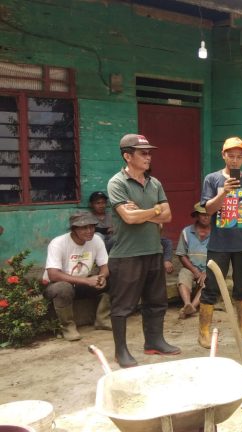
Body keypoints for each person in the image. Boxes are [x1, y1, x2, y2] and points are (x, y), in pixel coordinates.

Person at [107, 133, 180, 368]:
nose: (148, 157)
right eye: (143, 153)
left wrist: (144, 212)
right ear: (128, 156)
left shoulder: (154, 183)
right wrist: (154, 212)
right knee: (123, 306)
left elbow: (168, 215)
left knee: (156, 301)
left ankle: (154, 342)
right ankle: (121, 351)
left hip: (153, 251)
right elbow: (128, 217)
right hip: (126, 255)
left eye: (149, 152)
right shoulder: (117, 183)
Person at [198, 137, 242, 349]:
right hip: (218, 245)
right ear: (223, 155)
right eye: (231, 156)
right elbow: (207, 210)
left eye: (239, 157)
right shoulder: (212, 179)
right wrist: (224, 191)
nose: (235, 161)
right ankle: (204, 332)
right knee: (211, 287)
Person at [43, 211, 110, 341]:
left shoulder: (96, 240)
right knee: (63, 288)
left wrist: (102, 277)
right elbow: (53, 275)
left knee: (114, 277)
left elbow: (105, 266)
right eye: (84, 227)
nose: (90, 230)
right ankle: (67, 327)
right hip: (55, 286)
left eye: (92, 226)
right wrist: (87, 281)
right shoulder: (58, 243)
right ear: (74, 229)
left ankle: (103, 320)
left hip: (81, 284)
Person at [176, 203, 210, 320]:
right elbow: (181, 255)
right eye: (203, 215)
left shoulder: (216, 233)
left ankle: (191, 307)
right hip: (191, 267)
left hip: (208, 268)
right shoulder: (186, 232)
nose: (206, 217)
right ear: (197, 216)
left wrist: (206, 271)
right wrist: (194, 270)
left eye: (209, 215)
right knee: (183, 275)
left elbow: (218, 256)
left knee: (209, 281)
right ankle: (187, 303)